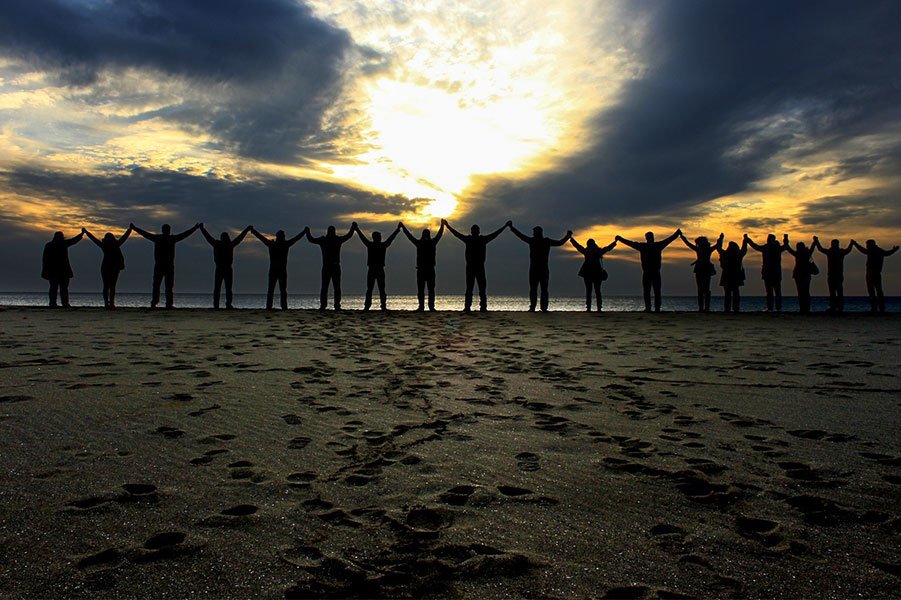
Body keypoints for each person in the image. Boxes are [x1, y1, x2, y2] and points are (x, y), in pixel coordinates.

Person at [443, 220, 510, 312]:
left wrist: (505, 226)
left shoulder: (479, 239)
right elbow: (457, 234)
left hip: (478, 267)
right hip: (472, 267)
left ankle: (479, 307)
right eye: (474, 230)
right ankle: (470, 307)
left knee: (480, 288)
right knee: (472, 288)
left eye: (476, 230)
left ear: (477, 231)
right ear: (473, 231)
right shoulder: (471, 239)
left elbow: (495, 234)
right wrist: (448, 226)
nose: (475, 231)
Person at [131, 222, 201, 308]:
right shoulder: (170, 239)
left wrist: (135, 228)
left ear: (162, 230)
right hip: (167, 266)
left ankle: (156, 302)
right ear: (168, 230)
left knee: (159, 285)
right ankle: (166, 303)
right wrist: (194, 228)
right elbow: (184, 234)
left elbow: (145, 234)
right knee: (167, 286)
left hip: (161, 265)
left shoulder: (159, 238)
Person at [615, 229, 681, 312]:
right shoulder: (653, 246)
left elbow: (631, 243)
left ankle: (652, 308)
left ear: (647, 238)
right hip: (650, 272)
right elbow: (669, 239)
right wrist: (676, 233)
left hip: (651, 272)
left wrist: (620, 238)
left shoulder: (647, 246)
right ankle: (653, 308)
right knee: (651, 291)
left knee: (651, 291)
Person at [509, 224, 572, 311]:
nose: (533, 234)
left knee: (538, 289)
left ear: (538, 233)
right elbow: (560, 243)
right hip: (540, 269)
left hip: (537, 269)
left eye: (534, 232)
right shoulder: (544, 241)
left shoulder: (538, 241)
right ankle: (540, 307)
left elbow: (521, 236)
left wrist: (512, 228)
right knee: (540, 289)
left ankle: (536, 307)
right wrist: (567, 236)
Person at [250, 227, 306, 310]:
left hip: (277, 270)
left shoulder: (275, 244)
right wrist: (304, 232)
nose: (283, 237)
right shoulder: (281, 244)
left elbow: (262, 238)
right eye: (282, 236)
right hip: (278, 270)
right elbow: (295, 239)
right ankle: (280, 307)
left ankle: (274, 307)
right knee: (278, 290)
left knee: (276, 290)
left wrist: (253, 231)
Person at [200, 224, 252, 309]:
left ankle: (219, 304)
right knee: (224, 288)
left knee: (222, 288)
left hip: (223, 268)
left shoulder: (221, 244)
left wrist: (202, 228)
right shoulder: (227, 244)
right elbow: (239, 238)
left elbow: (208, 237)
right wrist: (246, 230)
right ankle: (224, 304)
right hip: (223, 268)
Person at [307, 223, 357, 310]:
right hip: (328, 266)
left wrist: (353, 228)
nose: (331, 233)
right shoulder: (326, 240)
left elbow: (348, 236)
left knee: (334, 287)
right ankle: (325, 305)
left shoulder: (333, 240)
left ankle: (335, 305)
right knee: (327, 287)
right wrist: (307, 232)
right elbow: (311, 239)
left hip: (334, 266)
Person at [83, 225, 132, 309]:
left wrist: (87, 232)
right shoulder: (115, 245)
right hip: (112, 267)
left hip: (107, 267)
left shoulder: (105, 245)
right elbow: (124, 237)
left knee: (107, 286)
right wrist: (130, 230)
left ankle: (107, 303)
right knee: (111, 286)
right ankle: (111, 303)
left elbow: (94, 239)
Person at [355, 223, 402, 311]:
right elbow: (390, 239)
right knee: (375, 289)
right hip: (375, 269)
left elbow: (390, 239)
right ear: (376, 237)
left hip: (376, 269)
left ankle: (373, 306)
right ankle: (374, 306)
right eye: (379, 237)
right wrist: (397, 230)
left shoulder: (374, 245)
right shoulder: (377, 245)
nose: (380, 238)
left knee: (376, 289)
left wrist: (357, 229)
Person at [400, 221, 445, 311]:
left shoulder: (430, 243)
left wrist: (442, 226)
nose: (425, 236)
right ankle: (422, 306)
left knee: (430, 289)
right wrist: (403, 227)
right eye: (425, 234)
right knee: (422, 289)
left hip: (429, 269)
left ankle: (430, 306)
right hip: (422, 269)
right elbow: (409, 236)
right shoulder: (421, 243)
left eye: (426, 234)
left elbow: (439, 234)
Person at [569, 237, 617, 311]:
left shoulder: (587, 251)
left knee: (589, 291)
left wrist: (571, 239)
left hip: (588, 273)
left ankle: (589, 308)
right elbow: (607, 248)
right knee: (597, 290)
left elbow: (578, 246)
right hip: (596, 273)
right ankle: (598, 307)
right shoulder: (598, 251)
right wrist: (614, 242)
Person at [852, 239, 899, 313]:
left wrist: (855, 244)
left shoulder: (873, 251)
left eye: (867, 245)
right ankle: (880, 308)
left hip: (873, 273)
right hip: (875, 273)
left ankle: (876, 308)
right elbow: (887, 253)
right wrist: (894, 250)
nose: (867, 246)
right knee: (877, 291)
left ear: (871, 245)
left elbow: (863, 250)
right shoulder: (878, 250)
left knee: (874, 291)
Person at [680, 232, 724, 312]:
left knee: (703, 289)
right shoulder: (705, 249)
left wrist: (721, 238)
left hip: (703, 268)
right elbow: (688, 244)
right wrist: (721, 239)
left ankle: (704, 307)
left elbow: (688, 244)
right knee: (703, 289)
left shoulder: (703, 249)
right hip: (703, 268)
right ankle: (703, 307)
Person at [744, 233, 788, 312]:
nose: (768, 240)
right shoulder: (774, 248)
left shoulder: (769, 248)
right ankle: (776, 308)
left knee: (772, 291)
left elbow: (755, 246)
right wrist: (785, 238)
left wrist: (747, 239)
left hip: (770, 272)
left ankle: (774, 308)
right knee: (774, 291)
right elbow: (785, 246)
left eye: (769, 238)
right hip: (772, 272)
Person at [41, 230, 84, 307]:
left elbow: (44, 259)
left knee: (56, 288)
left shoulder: (50, 245)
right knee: (61, 288)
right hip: (60, 271)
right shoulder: (61, 244)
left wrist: (81, 234)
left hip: (57, 271)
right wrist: (82, 234)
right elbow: (73, 241)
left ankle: (55, 303)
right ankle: (61, 303)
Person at [812, 237, 854, 313]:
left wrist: (816, 241)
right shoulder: (836, 252)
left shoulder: (834, 252)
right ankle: (836, 307)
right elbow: (820, 249)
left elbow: (820, 249)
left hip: (836, 275)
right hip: (833, 275)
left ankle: (837, 307)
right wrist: (851, 244)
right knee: (835, 292)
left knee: (836, 292)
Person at [784, 236, 817, 314]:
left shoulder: (799, 254)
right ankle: (805, 308)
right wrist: (815, 241)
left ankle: (804, 308)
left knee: (802, 292)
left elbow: (788, 248)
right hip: (802, 275)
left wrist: (785, 239)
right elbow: (812, 247)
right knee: (804, 292)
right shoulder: (805, 253)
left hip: (802, 274)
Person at [717, 239, 748, 313]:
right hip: (735, 276)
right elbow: (744, 249)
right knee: (735, 293)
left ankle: (728, 309)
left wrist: (720, 239)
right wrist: (745, 240)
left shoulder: (725, 254)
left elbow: (718, 248)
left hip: (727, 275)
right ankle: (735, 308)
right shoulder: (738, 254)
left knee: (728, 293)